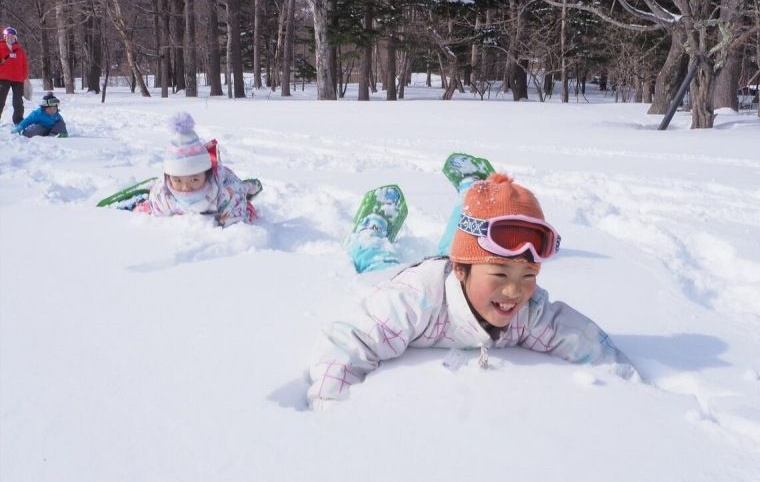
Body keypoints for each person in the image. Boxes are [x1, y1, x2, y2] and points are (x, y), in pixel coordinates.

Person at [307, 172, 639, 409]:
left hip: (461, 258)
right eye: (500, 273)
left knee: (457, 241)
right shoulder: (414, 298)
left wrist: (633, 392)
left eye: (529, 275)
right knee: (377, 259)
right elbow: (349, 341)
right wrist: (330, 409)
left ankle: (472, 189)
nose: (515, 291)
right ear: (461, 270)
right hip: (405, 274)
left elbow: (582, 339)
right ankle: (372, 226)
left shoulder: (529, 311)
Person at [134, 112, 259, 228]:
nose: (185, 187)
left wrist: (237, 217)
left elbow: (236, 212)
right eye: (177, 180)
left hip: (229, 185)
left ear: (206, 174)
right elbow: (153, 206)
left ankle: (249, 187)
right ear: (168, 176)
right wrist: (142, 209)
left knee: (241, 191)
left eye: (194, 179)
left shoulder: (224, 191)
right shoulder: (164, 193)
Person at [0, 26, 29, 126]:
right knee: (1, 100)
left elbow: (24, 64)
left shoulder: (19, 50)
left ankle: (18, 120)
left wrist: (25, 77)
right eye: (7, 36)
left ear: (15, 38)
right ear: (4, 37)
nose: (9, 38)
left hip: (18, 79)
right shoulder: (0, 47)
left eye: (11, 36)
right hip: (3, 78)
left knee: (18, 102)